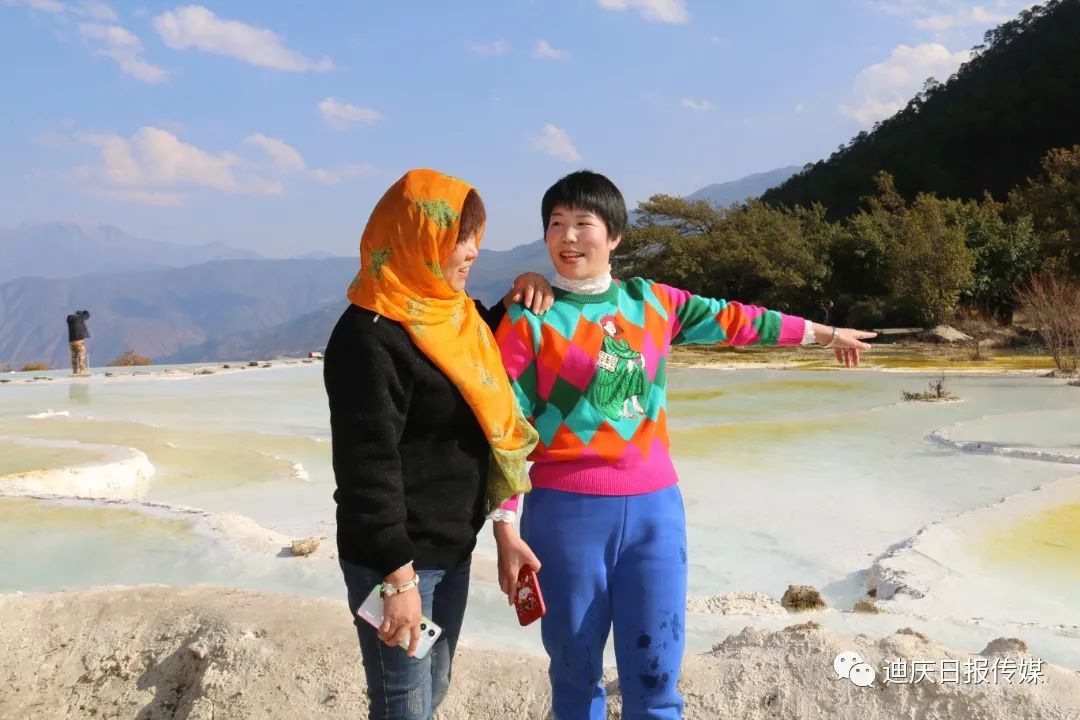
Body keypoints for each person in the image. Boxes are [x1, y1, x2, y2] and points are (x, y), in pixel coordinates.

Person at [492, 170, 875, 720]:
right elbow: (506, 425)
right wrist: (504, 526)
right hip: (565, 514)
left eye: (583, 223)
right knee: (575, 677)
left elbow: (736, 321)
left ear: (614, 236)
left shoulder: (651, 302)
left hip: (656, 512)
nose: (568, 237)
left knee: (657, 674)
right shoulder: (529, 317)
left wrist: (823, 333)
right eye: (556, 224)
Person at [323, 168, 551, 720]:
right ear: (414, 239)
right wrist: (397, 580)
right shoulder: (367, 339)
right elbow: (366, 471)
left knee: (434, 688)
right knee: (403, 706)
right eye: (457, 238)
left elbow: (463, 364)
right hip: (397, 562)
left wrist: (519, 293)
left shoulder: (451, 314)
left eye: (474, 236)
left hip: (451, 550)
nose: (472, 251)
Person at [66, 309, 90, 375]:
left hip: (71, 341)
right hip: (79, 340)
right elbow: (87, 315)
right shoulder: (79, 318)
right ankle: (82, 371)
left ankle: (75, 371)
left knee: (74, 357)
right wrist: (85, 312)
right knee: (81, 355)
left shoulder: (70, 319)